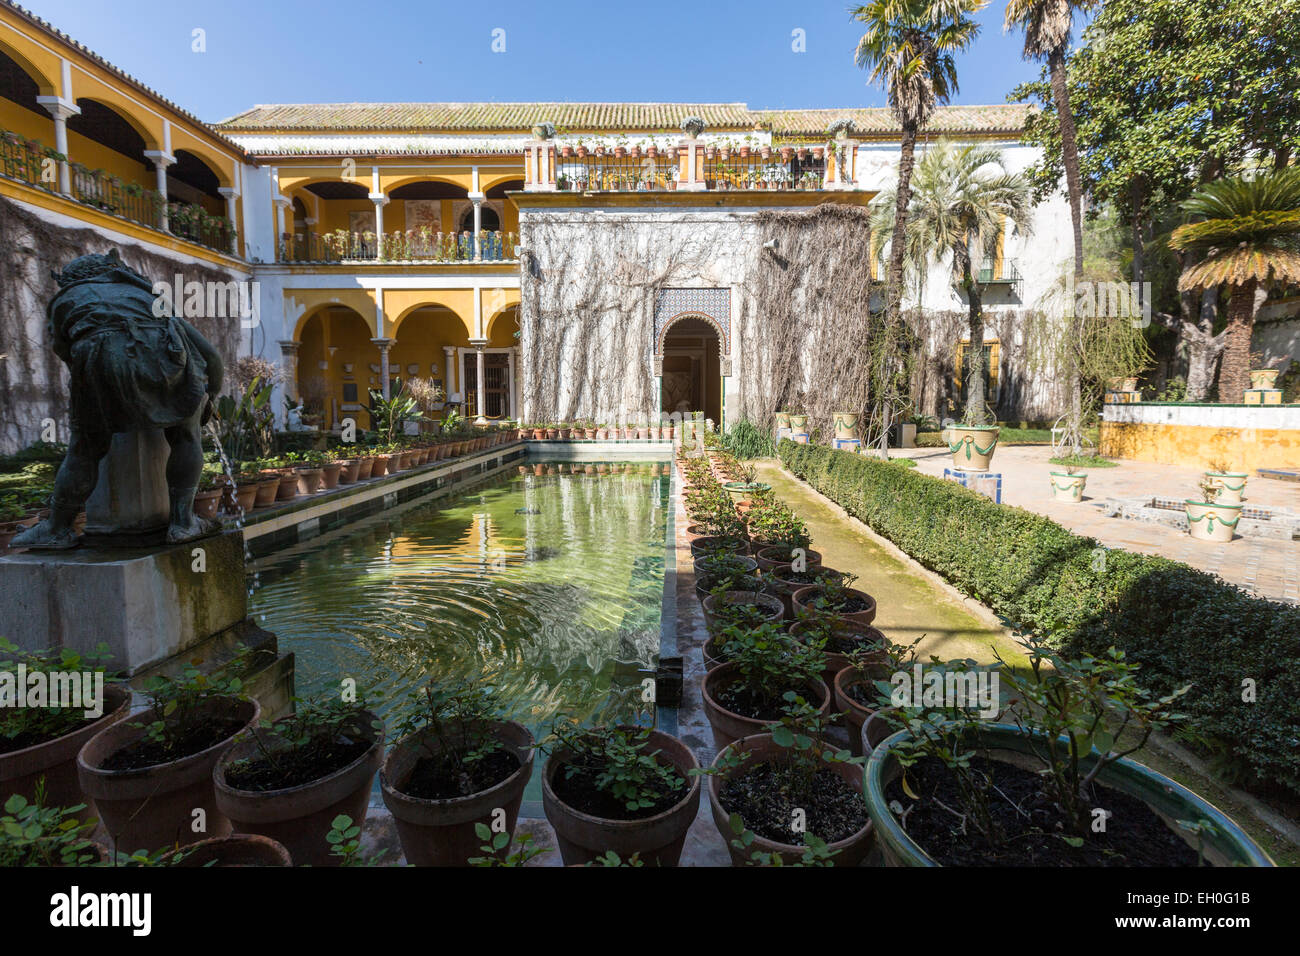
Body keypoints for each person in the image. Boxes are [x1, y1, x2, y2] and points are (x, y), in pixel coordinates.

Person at [14, 250, 224, 549]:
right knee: (186, 435)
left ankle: (57, 528)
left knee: (84, 448)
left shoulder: (65, 299)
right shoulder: (146, 296)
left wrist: (101, 384)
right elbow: (211, 357)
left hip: (96, 360)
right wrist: (210, 395)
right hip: (168, 364)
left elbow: (64, 351)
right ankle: (183, 523)